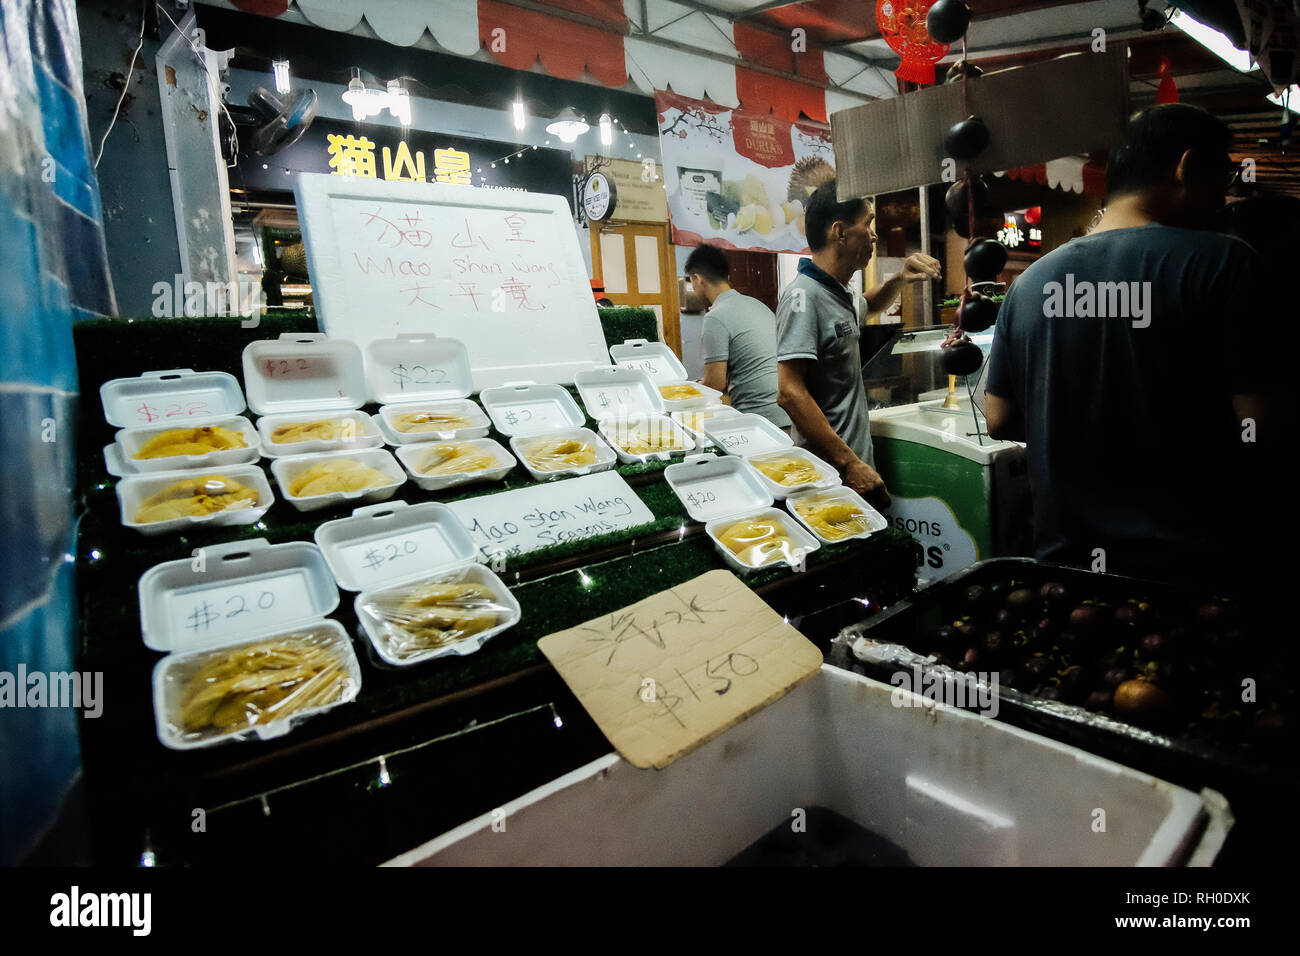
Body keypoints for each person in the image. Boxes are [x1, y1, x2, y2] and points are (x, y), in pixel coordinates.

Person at [983, 103, 1270, 587]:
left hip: (1064, 569)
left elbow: (999, 419)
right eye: (1222, 176)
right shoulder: (1227, 264)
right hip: (1195, 575)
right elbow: (1259, 429)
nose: (1223, 198)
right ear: (1186, 167)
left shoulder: (1030, 283)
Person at [775, 180, 941, 508]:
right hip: (827, 476)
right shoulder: (802, 297)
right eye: (868, 224)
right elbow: (789, 393)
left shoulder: (842, 292)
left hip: (852, 470)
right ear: (840, 232)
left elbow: (868, 305)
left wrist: (899, 278)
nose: (875, 235)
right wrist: (850, 464)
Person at [684, 244, 791, 430]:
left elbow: (715, 385)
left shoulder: (715, 317)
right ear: (727, 276)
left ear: (697, 278)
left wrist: (685, 392)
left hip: (759, 421)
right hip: (789, 414)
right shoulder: (758, 305)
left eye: (691, 282)